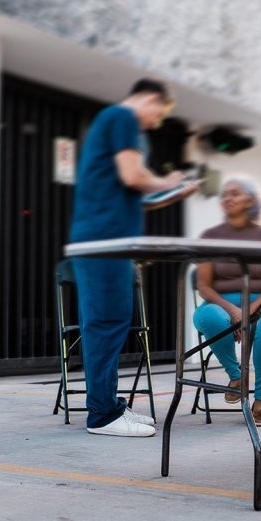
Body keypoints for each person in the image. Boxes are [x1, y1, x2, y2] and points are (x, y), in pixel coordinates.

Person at [70, 78, 197, 437]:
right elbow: (133, 175)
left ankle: (108, 406)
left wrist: (171, 192)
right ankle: (102, 416)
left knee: (109, 321)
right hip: (105, 241)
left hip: (105, 240)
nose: (156, 122)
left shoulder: (111, 121)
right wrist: (168, 181)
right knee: (106, 322)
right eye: (160, 113)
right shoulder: (123, 117)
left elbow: (131, 193)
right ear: (153, 99)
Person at [193, 177, 261, 427]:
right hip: (220, 304)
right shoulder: (210, 236)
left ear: (251, 200)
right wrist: (233, 311)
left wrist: (250, 312)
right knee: (210, 317)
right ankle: (237, 377)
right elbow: (204, 286)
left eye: (234, 193)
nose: (227, 198)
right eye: (224, 194)